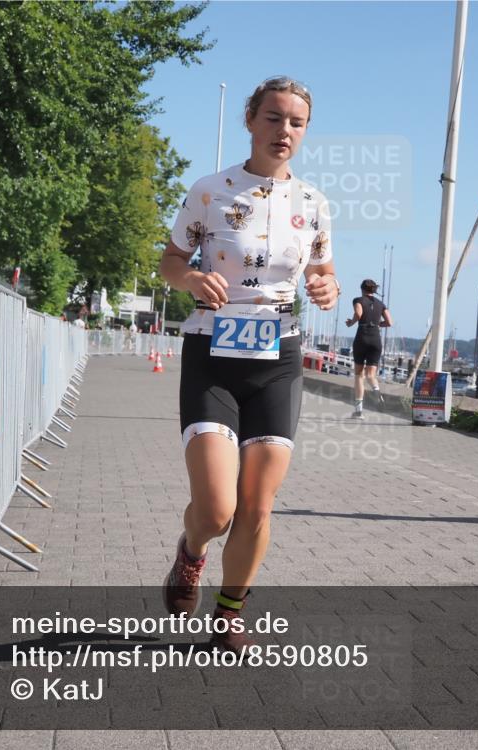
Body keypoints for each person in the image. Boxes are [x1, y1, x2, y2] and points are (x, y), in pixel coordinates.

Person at [158, 76, 339, 650]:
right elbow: (170, 260)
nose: (284, 131)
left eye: (296, 122)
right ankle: (192, 552)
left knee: (258, 505)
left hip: (277, 359)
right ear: (250, 120)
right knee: (216, 509)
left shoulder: (313, 204)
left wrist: (328, 287)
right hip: (212, 354)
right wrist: (191, 278)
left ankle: (229, 612)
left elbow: (322, 270)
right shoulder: (210, 190)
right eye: (273, 117)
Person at [344, 279, 392, 418]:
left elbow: (358, 314)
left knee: (359, 374)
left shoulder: (358, 300)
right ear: (374, 290)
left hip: (362, 337)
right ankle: (376, 391)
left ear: (362, 289)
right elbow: (389, 322)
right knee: (371, 375)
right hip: (376, 339)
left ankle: (359, 411)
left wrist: (351, 322)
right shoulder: (381, 304)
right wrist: (378, 324)